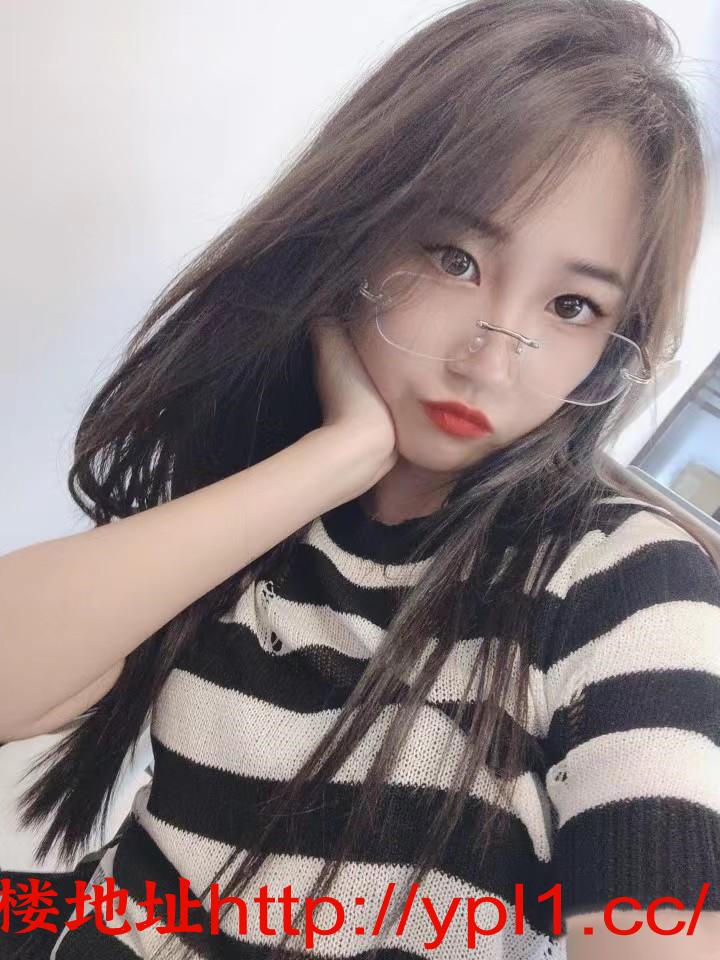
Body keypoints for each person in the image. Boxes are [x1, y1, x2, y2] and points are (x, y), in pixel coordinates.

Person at [1, 0, 719, 957]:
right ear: (358, 233)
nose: (490, 361)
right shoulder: (265, 495)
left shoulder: (625, 580)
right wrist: (334, 459)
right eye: (456, 259)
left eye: (573, 306)